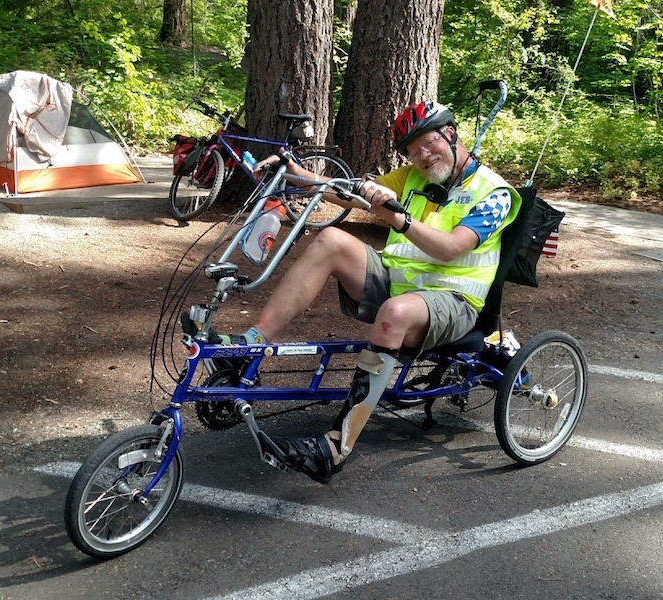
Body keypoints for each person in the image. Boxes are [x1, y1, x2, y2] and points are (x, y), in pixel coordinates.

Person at [188, 100, 522, 483]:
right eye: (413, 153)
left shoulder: (493, 191)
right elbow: (342, 193)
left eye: (428, 144)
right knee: (331, 238)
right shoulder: (413, 177)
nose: (423, 157)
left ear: (450, 133)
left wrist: (399, 218)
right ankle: (248, 345)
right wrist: (293, 172)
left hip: (452, 302)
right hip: (398, 282)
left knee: (395, 313)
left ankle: (335, 446)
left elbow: (449, 247)